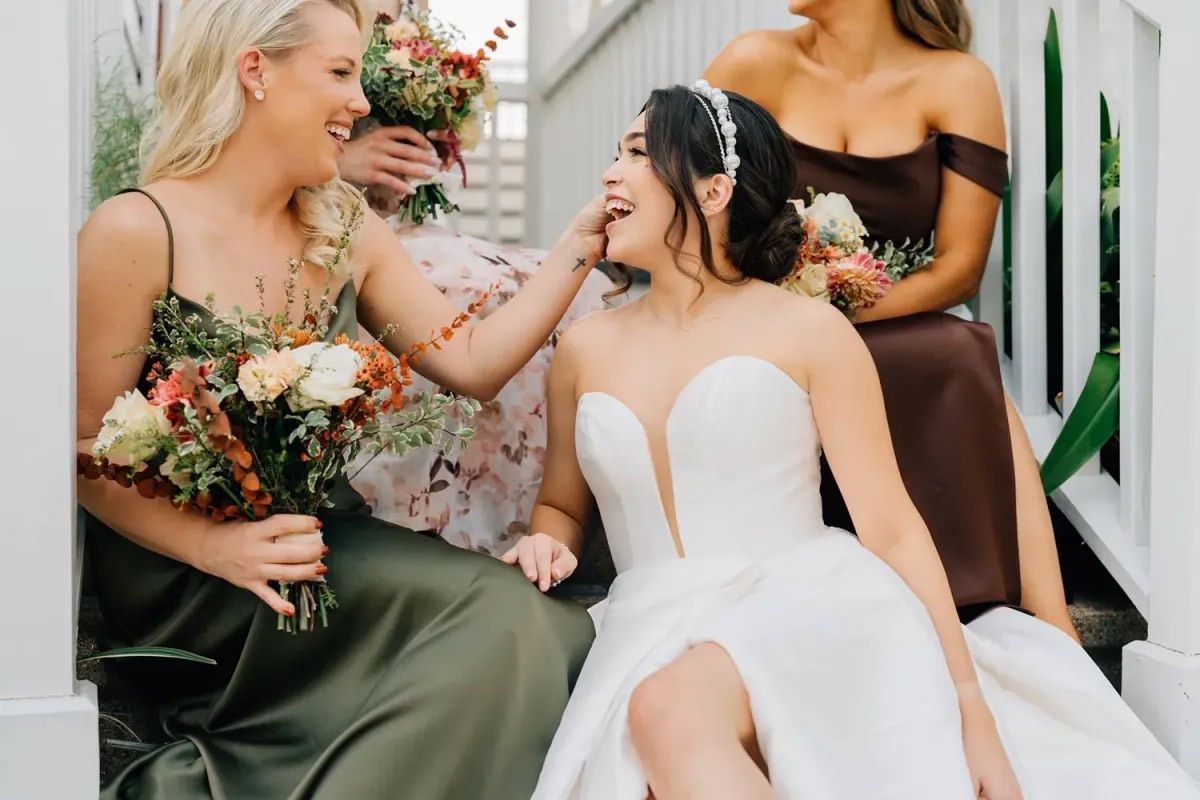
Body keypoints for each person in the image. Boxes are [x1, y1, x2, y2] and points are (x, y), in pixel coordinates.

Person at [514, 84, 1197, 799]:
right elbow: (561, 506)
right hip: (647, 622)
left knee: (666, 710)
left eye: (635, 155)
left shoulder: (809, 332)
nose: (609, 174)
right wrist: (547, 539)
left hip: (805, 600)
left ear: (714, 191)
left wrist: (970, 708)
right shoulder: (586, 347)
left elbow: (894, 528)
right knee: (653, 744)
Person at [77, 1, 601, 796]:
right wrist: (216, 548)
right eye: (341, 72)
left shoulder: (342, 224)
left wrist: (583, 241)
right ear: (256, 70)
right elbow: (84, 451)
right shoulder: (137, 229)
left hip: (320, 543)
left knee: (533, 621)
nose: (361, 103)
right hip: (190, 576)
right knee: (506, 621)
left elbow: (471, 360)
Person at [704, 0, 1079, 639]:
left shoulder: (957, 82)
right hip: (763, 318)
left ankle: (1049, 620)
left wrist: (838, 308)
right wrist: (786, 311)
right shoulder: (753, 62)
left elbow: (959, 267)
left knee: (956, 350)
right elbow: (695, 212)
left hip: (892, 312)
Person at [339, 0, 617, 554]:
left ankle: (550, 514)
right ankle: (442, 520)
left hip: (400, 226)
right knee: (473, 292)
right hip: (336, 223)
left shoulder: (413, 33)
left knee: (572, 290)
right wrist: (344, 162)